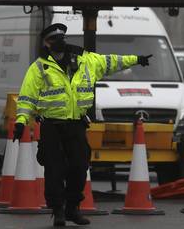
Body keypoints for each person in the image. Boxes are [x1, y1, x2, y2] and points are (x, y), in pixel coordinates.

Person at [14, 23, 152, 227]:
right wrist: (20, 122)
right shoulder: (39, 68)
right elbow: (27, 98)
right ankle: (58, 210)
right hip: (52, 126)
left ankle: (72, 209)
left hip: (76, 125)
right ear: (46, 43)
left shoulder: (86, 60)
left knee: (79, 167)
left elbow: (112, 61)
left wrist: (137, 60)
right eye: (54, 39)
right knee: (54, 170)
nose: (58, 42)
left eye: (61, 38)